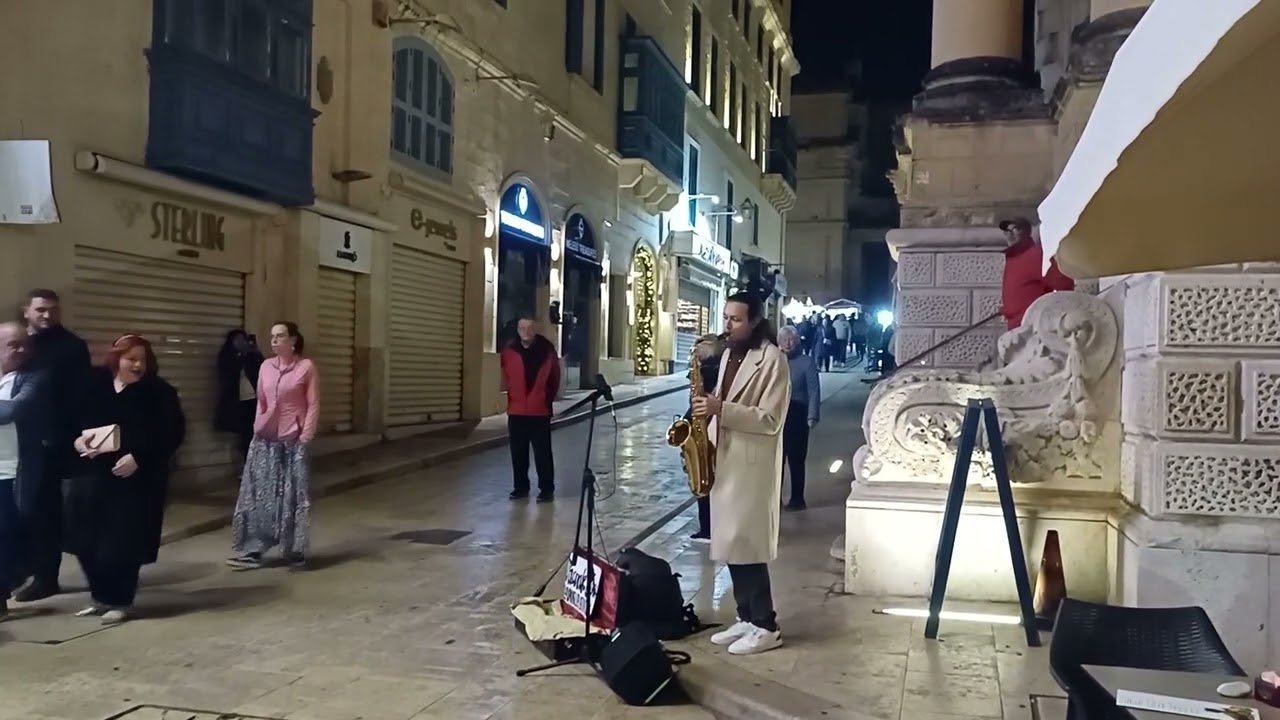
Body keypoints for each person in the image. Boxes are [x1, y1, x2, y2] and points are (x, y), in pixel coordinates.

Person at [694, 292, 790, 656]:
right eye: (726, 317)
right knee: (731, 545)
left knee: (747, 545)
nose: (727, 325)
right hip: (726, 459)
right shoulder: (731, 354)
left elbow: (770, 419)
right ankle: (746, 616)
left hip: (750, 466)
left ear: (754, 322)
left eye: (735, 319)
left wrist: (722, 408)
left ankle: (766, 624)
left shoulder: (773, 360)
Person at [65, 334, 185, 624]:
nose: (137, 365)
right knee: (86, 541)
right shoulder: (95, 385)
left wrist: (139, 459)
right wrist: (79, 442)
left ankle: (121, 599)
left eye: (143, 360)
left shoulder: (159, 392)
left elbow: (171, 433)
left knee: (122, 544)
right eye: (131, 359)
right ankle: (100, 596)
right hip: (92, 475)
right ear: (116, 358)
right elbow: (71, 423)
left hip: (135, 480)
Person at [14, 288, 90, 603]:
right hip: (14, 440)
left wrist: (69, 437)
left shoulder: (71, 347)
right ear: (26, 311)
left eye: (53, 310)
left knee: (51, 512)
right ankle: (22, 569)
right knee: (22, 511)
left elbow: (80, 396)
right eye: (41, 309)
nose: (47, 316)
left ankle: (47, 576)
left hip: (54, 442)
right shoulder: (17, 341)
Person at [228, 322, 319, 570]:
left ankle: (294, 549)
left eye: (280, 336)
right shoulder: (266, 367)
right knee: (258, 495)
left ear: (293, 340)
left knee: (292, 497)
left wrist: (305, 436)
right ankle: (253, 549)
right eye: (272, 337)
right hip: (265, 440)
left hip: (293, 440)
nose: (275, 341)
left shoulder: (305, 367)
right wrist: (258, 426)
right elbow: (261, 401)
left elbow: (312, 404)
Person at [0, 323, 50, 618]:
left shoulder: (35, 377)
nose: (20, 350)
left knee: (7, 533)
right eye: (12, 344)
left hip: (13, 470)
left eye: (23, 344)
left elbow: (12, 412)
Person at [499, 313, 560, 502]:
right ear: (518, 330)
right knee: (518, 452)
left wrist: (545, 400)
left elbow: (554, 380)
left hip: (539, 411)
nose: (526, 332)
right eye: (522, 328)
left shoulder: (547, 352)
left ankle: (547, 489)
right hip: (516, 411)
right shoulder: (509, 351)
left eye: (530, 328)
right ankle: (520, 487)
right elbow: (505, 377)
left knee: (542, 453)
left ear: (535, 330)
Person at [1000, 217, 1075, 330]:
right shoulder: (1011, 259)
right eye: (1007, 231)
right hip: (1014, 327)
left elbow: (1063, 283)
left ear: (1026, 232)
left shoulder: (1035, 254)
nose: (1010, 235)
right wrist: (1006, 309)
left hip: (1032, 326)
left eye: (1015, 229)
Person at [685, 333, 725, 543]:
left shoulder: (711, 369)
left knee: (705, 476)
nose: (695, 351)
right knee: (705, 477)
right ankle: (707, 527)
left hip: (708, 425)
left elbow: (704, 399)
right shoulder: (708, 367)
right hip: (704, 423)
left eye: (698, 348)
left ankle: (708, 529)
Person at [776, 326, 819, 511]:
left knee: (796, 458)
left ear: (798, 341)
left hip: (797, 413)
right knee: (777, 459)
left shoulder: (806, 362)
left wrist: (812, 415)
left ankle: (797, 498)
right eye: (785, 339)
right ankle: (774, 498)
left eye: (792, 339)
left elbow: (814, 390)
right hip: (777, 413)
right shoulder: (774, 361)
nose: (788, 343)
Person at [215, 329, 264, 462]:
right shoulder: (227, 356)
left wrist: (255, 352)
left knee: (253, 434)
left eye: (243, 339)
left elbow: (263, 370)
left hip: (253, 400)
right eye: (237, 339)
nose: (241, 342)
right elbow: (227, 374)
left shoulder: (251, 355)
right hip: (237, 402)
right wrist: (241, 356)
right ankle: (246, 465)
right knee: (244, 436)